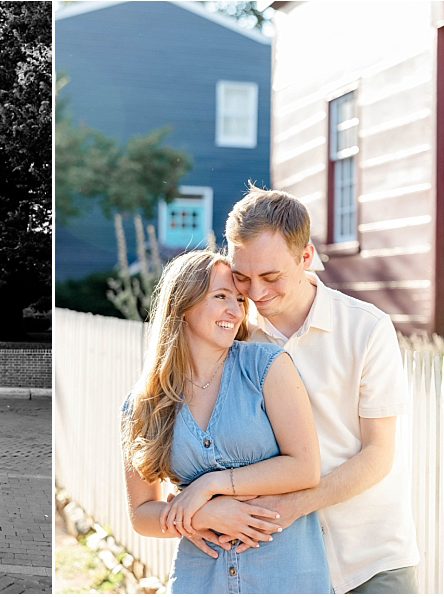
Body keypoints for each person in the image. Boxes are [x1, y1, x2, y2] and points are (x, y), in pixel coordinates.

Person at [178, 185, 419, 594]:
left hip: (372, 561)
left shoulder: (366, 329)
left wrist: (295, 505)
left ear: (305, 257)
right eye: (242, 277)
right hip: (277, 564)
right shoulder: (234, 339)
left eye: (271, 277)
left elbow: (379, 454)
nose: (255, 293)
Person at [121, 249, 332, 593]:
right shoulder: (144, 404)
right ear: (183, 305)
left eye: (239, 300)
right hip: (201, 580)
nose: (234, 311)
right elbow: (142, 514)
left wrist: (209, 486)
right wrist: (202, 515)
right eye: (221, 297)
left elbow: (305, 468)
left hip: (287, 577)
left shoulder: (267, 367)